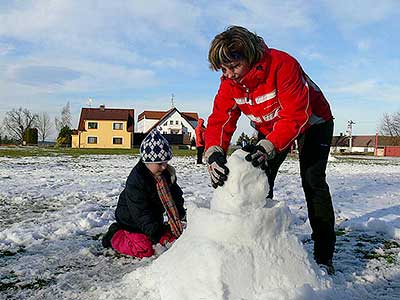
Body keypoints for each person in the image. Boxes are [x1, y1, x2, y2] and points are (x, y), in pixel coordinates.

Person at [204, 25, 335, 274]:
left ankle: (324, 256)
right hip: (272, 125)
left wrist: (269, 146)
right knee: (259, 177)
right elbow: (220, 119)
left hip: (313, 121)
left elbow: (296, 115)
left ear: (249, 55)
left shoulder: (283, 65)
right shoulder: (229, 84)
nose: (229, 74)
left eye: (234, 67)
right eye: (223, 69)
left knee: (313, 180)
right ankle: (262, 245)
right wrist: (213, 152)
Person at [102, 129, 186, 258]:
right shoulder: (137, 181)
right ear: (147, 161)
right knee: (145, 249)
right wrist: (157, 233)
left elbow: (175, 196)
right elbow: (141, 212)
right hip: (132, 222)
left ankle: (153, 233)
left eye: (166, 162)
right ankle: (114, 235)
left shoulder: (166, 175)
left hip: (152, 220)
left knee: (172, 237)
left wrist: (180, 215)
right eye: (159, 163)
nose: (164, 166)